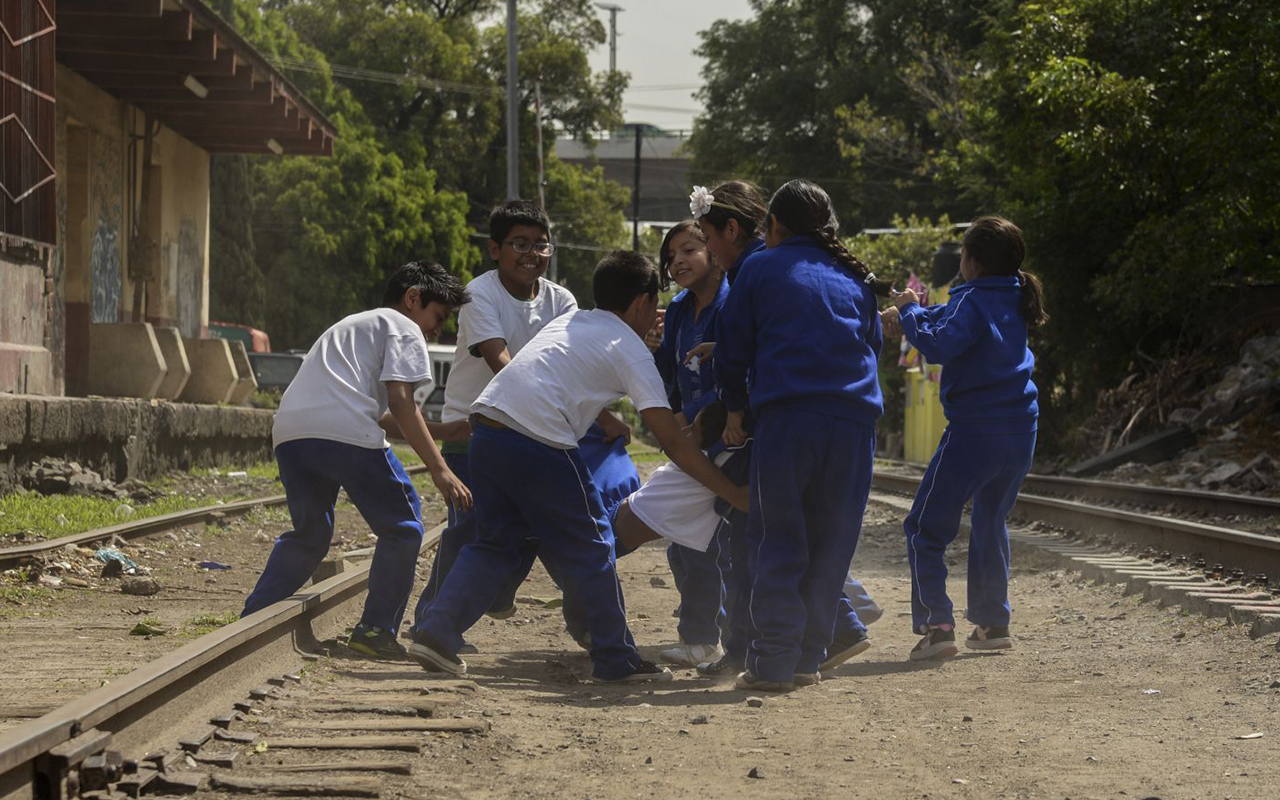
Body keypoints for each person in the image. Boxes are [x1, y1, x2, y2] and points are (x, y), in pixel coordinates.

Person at [409, 251, 750, 684]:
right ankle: (616, 659)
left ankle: (436, 631)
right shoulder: (630, 350)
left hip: (488, 429)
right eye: (654, 306)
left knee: (496, 542)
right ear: (642, 303)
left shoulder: (570, 322)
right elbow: (672, 441)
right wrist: (731, 492)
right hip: (537, 439)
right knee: (593, 544)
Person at [412, 200, 634, 648]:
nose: (532, 254)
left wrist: (605, 417)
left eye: (541, 245)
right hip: (475, 432)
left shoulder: (561, 300)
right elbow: (503, 363)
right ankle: (430, 621)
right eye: (520, 244)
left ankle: (588, 626)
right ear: (495, 249)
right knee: (472, 529)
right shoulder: (480, 295)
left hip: (539, 435)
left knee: (550, 530)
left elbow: (571, 367)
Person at [687, 180, 877, 681]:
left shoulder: (760, 267)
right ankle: (807, 661)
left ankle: (773, 662)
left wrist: (733, 407)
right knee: (830, 545)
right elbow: (871, 345)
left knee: (779, 539)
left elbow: (733, 349)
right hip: (856, 423)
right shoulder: (854, 275)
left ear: (773, 225)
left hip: (790, 420)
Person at [241, 261, 472, 660]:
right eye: (438, 316)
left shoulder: (351, 325)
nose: (437, 330)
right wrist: (440, 469)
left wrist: (442, 432)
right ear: (413, 298)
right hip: (345, 433)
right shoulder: (403, 327)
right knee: (403, 527)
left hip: (292, 434)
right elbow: (401, 402)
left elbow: (380, 414)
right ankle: (376, 630)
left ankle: (253, 618)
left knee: (310, 535)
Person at [880, 215, 1047, 660]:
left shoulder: (971, 298)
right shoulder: (1015, 295)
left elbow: (938, 344)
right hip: (1021, 430)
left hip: (975, 432)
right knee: (991, 521)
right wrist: (909, 312)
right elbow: (942, 318)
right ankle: (993, 624)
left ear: (970, 262)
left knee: (924, 528)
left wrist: (909, 310)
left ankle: (937, 626)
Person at [642, 221, 732, 667]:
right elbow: (669, 373)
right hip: (694, 442)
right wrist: (653, 346)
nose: (677, 261)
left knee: (707, 543)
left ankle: (704, 638)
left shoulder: (733, 302)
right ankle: (703, 635)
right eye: (670, 255)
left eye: (689, 249)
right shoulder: (678, 309)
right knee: (686, 541)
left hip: (729, 436)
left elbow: (738, 372)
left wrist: (698, 416)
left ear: (714, 251)